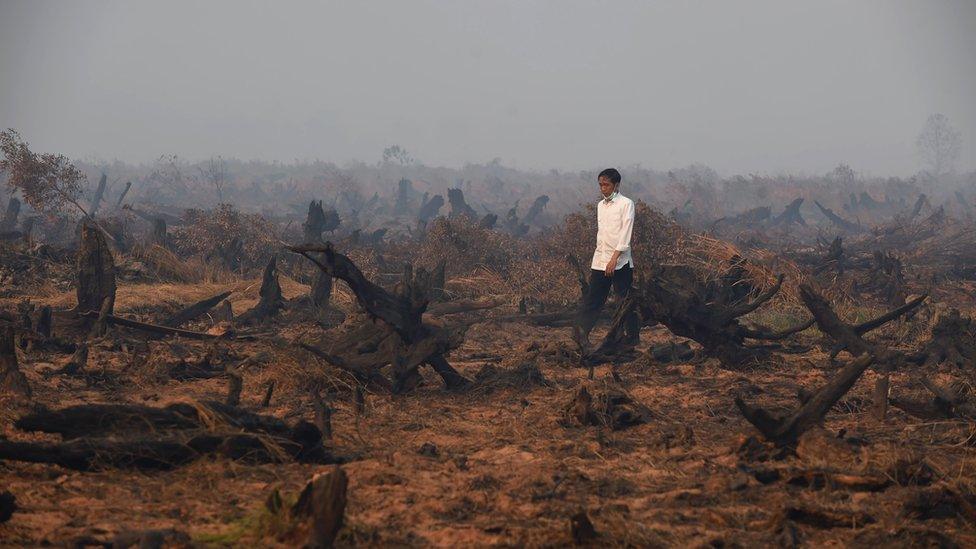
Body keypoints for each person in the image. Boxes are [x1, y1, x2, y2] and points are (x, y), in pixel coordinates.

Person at [577, 168, 639, 344]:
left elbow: (625, 235)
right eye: (600, 185)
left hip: (621, 262)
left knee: (624, 301)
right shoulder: (600, 206)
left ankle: (631, 338)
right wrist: (603, 259)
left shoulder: (626, 204)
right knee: (594, 299)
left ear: (616, 185)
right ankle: (582, 334)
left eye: (606, 185)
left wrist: (614, 259)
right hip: (600, 260)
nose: (603, 188)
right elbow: (602, 235)